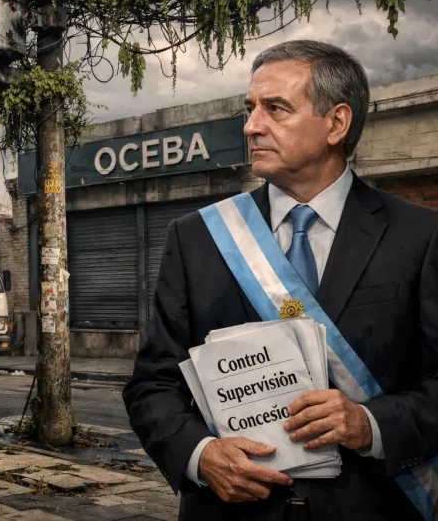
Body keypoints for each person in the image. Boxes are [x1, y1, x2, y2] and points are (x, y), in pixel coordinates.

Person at [122, 40, 438, 521]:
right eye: (250, 109)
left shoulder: (420, 236)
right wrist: (200, 455)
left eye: (275, 108)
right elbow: (152, 385)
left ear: (336, 123)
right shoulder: (196, 238)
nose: (251, 126)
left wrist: (369, 422)